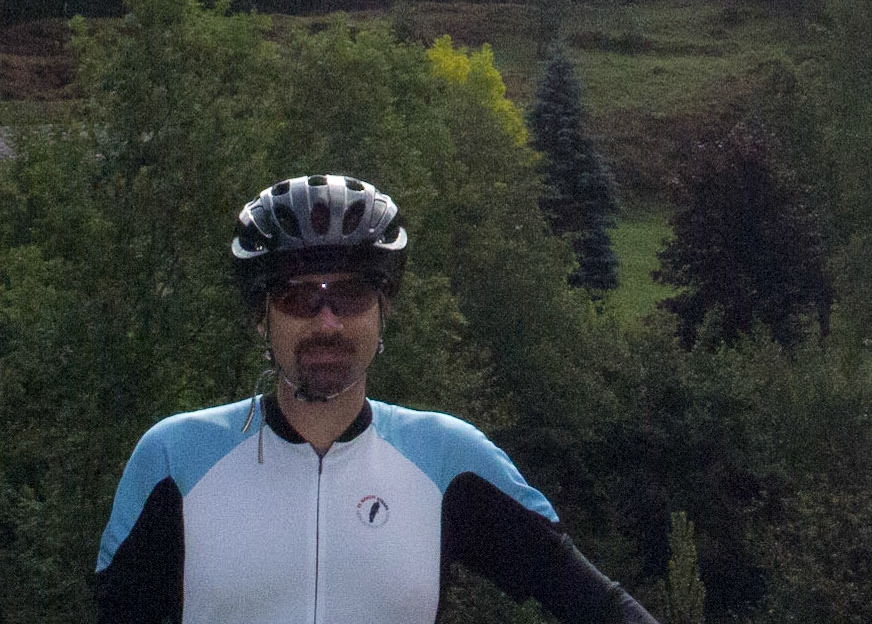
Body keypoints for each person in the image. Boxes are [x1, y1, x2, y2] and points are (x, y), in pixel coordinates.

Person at [95, 174, 658, 623]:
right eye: (297, 298)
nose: (327, 322)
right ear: (261, 319)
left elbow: (598, 605)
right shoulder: (175, 457)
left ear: (384, 310)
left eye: (351, 295)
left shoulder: (447, 458)